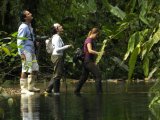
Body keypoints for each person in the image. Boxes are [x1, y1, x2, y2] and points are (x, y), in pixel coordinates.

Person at [44, 23, 72, 95]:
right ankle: (56, 93)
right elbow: (57, 49)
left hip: (56, 56)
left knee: (57, 74)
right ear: (56, 29)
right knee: (57, 75)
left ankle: (49, 90)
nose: (62, 26)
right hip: (57, 56)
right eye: (60, 26)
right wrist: (67, 46)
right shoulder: (56, 37)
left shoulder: (56, 37)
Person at [17, 10, 40, 95]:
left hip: (31, 50)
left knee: (34, 68)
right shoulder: (23, 27)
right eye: (28, 14)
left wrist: (35, 42)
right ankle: (23, 88)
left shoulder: (29, 26)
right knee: (26, 69)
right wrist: (21, 53)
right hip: (26, 51)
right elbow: (19, 41)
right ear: (25, 17)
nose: (31, 14)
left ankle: (31, 86)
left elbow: (29, 38)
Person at [74, 27, 103, 94]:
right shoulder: (89, 40)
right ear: (94, 33)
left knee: (84, 77)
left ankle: (76, 91)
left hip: (87, 61)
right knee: (98, 75)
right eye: (97, 35)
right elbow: (90, 50)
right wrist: (99, 53)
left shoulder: (89, 39)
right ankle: (99, 93)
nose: (97, 37)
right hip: (88, 61)